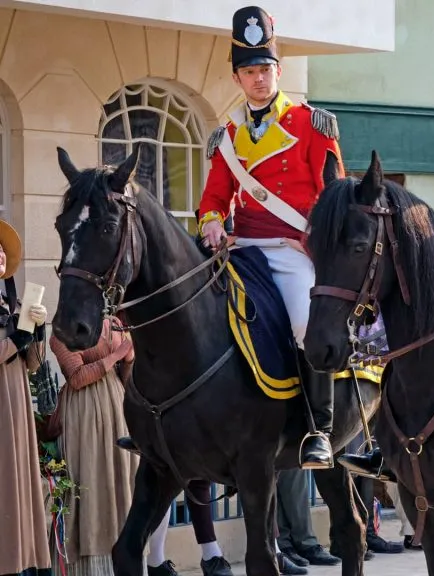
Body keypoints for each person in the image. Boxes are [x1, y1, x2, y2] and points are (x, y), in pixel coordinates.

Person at [114, 5, 343, 469]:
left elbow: (336, 197)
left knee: (305, 322)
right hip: (241, 250)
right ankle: (163, 423)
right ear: (237, 78)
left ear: (278, 71)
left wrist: (313, 241)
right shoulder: (228, 137)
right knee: (192, 312)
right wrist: (213, 222)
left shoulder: (310, 124)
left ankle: (318, 428)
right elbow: (214, 199)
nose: (258, 79)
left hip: (292, 249)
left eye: (265, 69)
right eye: (249, 72)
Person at [49, 317, 139, 576]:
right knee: (90, 482)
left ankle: (125, 558)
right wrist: (116, 355)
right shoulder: (63, 329)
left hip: (116, 411)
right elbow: (77, 377)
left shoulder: (113, 322)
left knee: (121, 484)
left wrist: (129, 359)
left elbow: (126, 378)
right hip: (84, 415)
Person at [0, 219, 51, 576]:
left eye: (2, 251)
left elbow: (32, 364)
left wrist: (37, 330)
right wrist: (11, 343)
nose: (1, 255)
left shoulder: (12, 305)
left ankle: (22, 561)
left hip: (16, 402)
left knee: (18, 479)